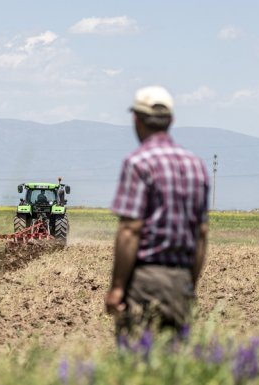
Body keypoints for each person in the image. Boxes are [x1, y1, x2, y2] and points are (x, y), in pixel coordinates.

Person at [105, 86, 210, 341]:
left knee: (137, 363)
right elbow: (201, 235)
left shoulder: (138, 163)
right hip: (181, 281)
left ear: (136, 120)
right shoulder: (196, 165)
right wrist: (189, 285)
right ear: (171, 121)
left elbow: (130, 230)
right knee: (174, 364)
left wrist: (117, 287)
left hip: (145, 281)